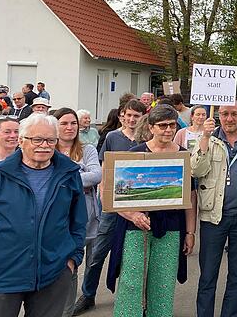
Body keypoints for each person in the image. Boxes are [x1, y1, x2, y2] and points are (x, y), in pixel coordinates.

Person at [0, 113, 86, 317]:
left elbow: (78, 221)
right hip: (5, 272)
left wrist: (73, 258)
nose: (44, 145)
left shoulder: (69, 175)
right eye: (37, 139)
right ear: (21, 141)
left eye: (51, 140)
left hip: (53, 271)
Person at [105, 105, 197, 316]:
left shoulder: (183, 156)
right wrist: (133, 215)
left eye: (172, 125)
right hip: (136, 227)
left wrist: (190, 233)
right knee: (131, 282)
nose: (168, 130)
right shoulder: (135, 153)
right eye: (163, 125)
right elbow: (117, 195)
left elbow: (190, 196)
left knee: (163, 284)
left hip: (171, 227)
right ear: (151, 127)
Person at [72, 100, 147, 315]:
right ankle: (88, 294)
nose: (132, 119)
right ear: (122, 116)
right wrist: (105, 200)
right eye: (128, 115)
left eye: (136, 115)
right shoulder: (113, 137)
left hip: (138, 206)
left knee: (133, 256)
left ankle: (134, 299)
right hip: (112, 206)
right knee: (98, 254)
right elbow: (104, 171)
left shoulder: (147, 138)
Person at [191, 103, 237, 317]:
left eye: (235, 113)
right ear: (219, 115)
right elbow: (196, 170)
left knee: (236, 276)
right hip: (213, 217)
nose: (229, 118)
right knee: (208, 276)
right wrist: (204, 138)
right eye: (224, 114)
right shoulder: (208, 137)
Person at [53, 108, 103, 317]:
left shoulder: (87, 149)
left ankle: (70, 309)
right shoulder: (48, 148)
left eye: (73, 123)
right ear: (55, 125)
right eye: (64, 123)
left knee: (76, 261)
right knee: (61, 265)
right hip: (55, 218)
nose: (70, 127)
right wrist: (79, 172)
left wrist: (64, 179)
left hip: (84, 215)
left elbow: (96, 175)